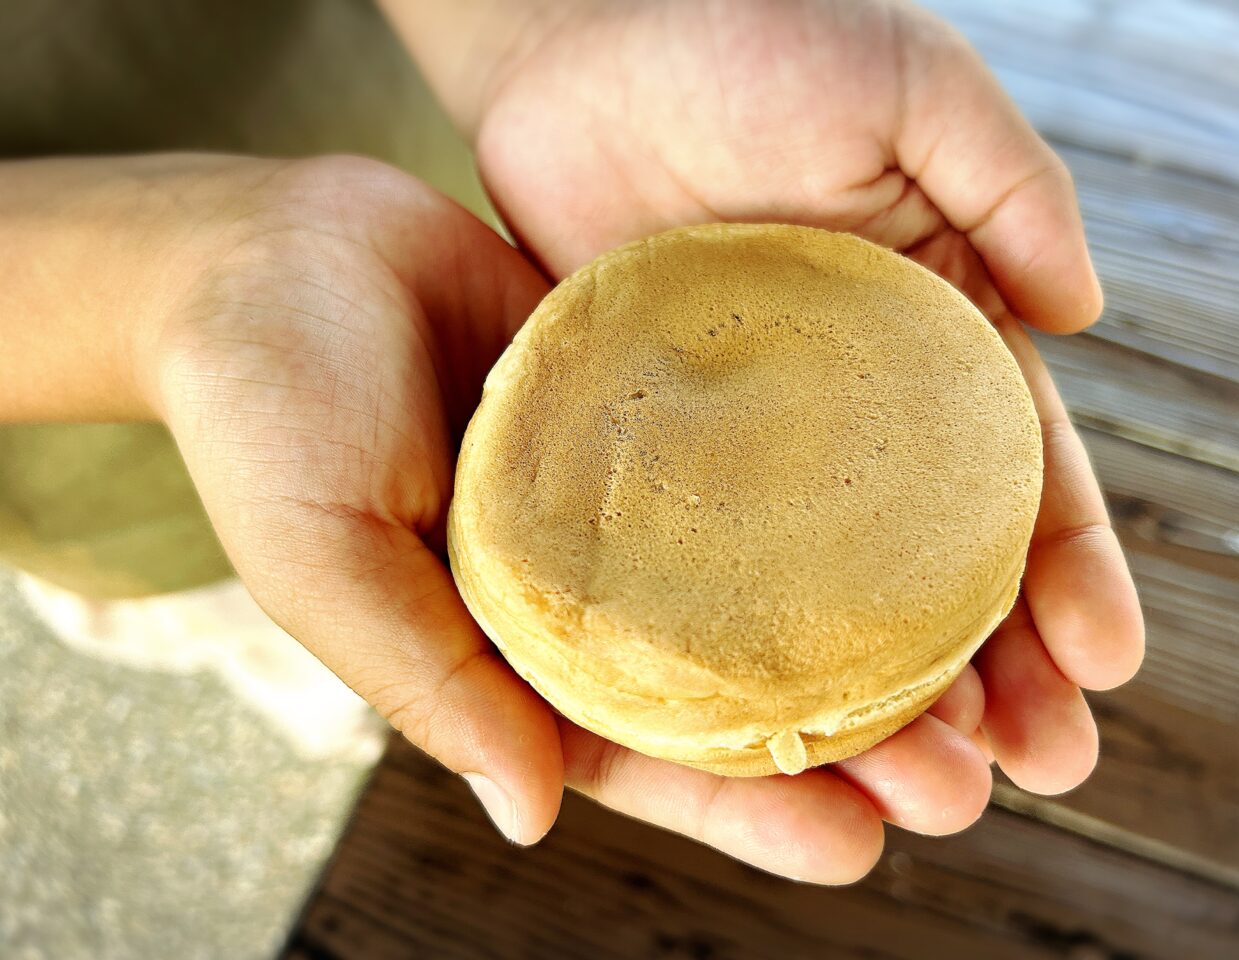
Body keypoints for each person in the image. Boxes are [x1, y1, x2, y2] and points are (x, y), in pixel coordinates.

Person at [0, 0, 1144, 885]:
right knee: (304, 630)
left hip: (461, 161)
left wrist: (545, 29)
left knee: (385, 623)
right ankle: (331, 719)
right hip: (89, 396)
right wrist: (169, 284)